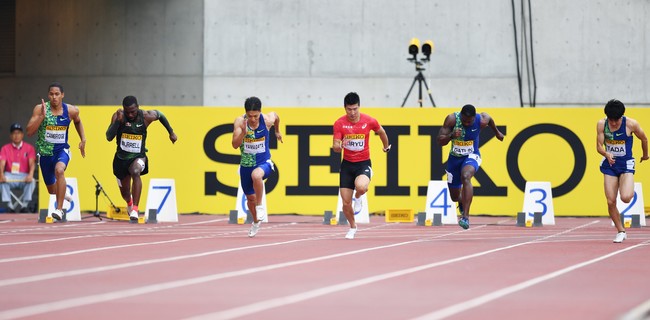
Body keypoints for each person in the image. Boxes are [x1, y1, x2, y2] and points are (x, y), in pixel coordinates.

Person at [106, 95, 177, 221]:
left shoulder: (145, 116)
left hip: (138, 156)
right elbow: (109, 137)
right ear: (123, 109)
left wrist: (171, 132)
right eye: (128, 112)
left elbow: (160, 115)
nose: (131, 115)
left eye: (133, 112)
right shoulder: (118, 116)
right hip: (120, 159)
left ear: (138, 108)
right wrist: (118, 121)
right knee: (125, 193)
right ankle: (129, 203)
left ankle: (135, 209)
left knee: (135, 171)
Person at [332, 92, 391, 240]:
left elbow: (381, 132)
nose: (352, 113)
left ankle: (358, 197)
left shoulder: (369, 121)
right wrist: (340, 145)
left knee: (361, 187)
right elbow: (335, 147)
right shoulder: (339, 123)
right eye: (349, 109)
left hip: (363, 163)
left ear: (359, 107)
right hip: (347, 165)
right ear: (344, 108)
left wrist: (386, 146)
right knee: (345, 203)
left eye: (355, 109)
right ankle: (353, 227)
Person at [436, 104, 504, 229]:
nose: (467, 124)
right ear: (460, 116)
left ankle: (465, 217)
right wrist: (451, 136)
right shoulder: (452, 119)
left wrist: (497, 133)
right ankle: (462, 201)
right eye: (464, 121)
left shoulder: (482, 119)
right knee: (454, 197)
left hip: (472, 155)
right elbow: (439, 141)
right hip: (454, 159)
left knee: (466, 176)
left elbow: (490, 120)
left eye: (470, 121)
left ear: (474, 118)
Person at [26, 82, 86, 221]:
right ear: (48, 95)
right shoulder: (40, 109)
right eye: (51, 94)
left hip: (62, 150)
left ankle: (59, 210)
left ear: (62, 95)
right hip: (45, 154)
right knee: (51, 190)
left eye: (57, 94)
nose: (54, 97)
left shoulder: (71, 111)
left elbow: (77, 121)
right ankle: (62, 193)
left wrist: (83, 139)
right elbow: (29, 132)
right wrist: (41, 117)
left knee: (60, 171)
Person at [596, 99, 648, 243]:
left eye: (616, 120)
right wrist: (606, 154)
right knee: (611, 201)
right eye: (611, 120)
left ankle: (626, 183)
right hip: (610, 164)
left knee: (625, 197)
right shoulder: (602, 124)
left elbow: (644, 139)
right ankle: (621, 231)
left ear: (622, 116)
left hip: (625, 164)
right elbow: (599, 146)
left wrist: (645, 154)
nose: (613, 123)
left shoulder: (631, 124)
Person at [232, 96, 282, 238]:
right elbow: (235, 145)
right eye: (250, 116)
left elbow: (276, 116)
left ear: (260, 112)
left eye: (255, 116)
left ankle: (260, 206)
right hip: (246, 165)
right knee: (250, 200)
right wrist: (243, 133)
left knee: (257, 175)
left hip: (264, 162)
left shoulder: (266, 120)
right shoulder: (240, 122)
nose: (253, 119)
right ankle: (255, 221)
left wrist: (277, 131)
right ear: (245, 113)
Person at [0, 123, 36, 212]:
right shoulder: (5, 148)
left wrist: (30, 175)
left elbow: (32, 163)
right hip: (9, 175)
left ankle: (24, 206)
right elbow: (2, 163)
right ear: (11, 135)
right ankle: (10, 206)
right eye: (14, 133)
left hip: (24, 176)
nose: (16, 135)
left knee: (32, 181)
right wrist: (1, 175)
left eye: (18, 133)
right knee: (1, 179)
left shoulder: (29, 148)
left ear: (22, 135)